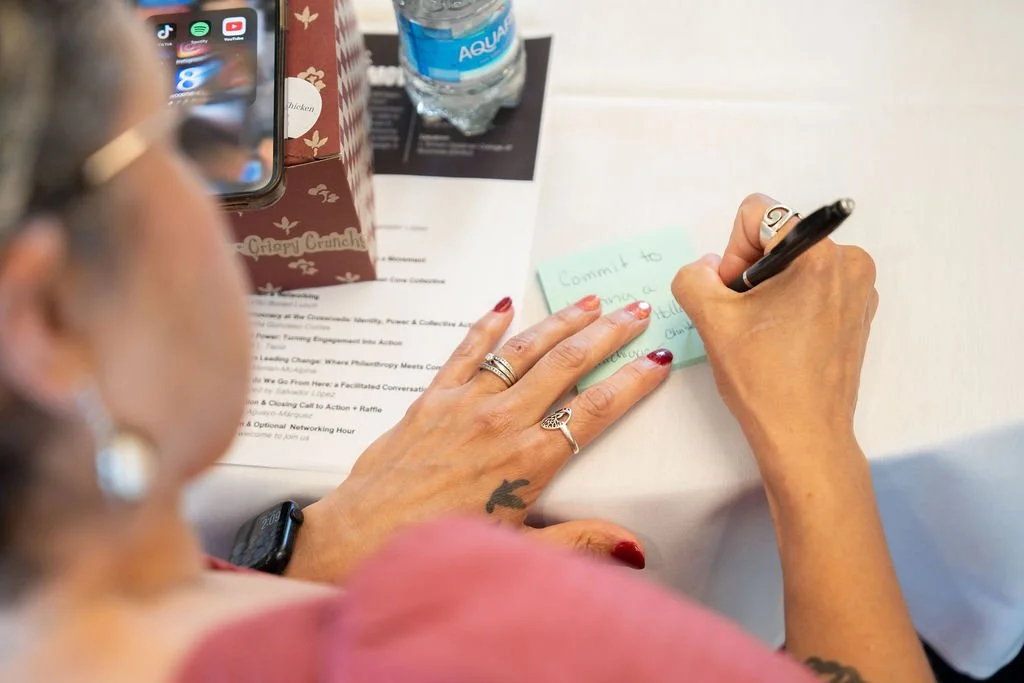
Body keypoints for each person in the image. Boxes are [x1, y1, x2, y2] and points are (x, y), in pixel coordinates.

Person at [0, 2, 935, 682]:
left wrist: (307, 557)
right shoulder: (478, 639)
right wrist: (811, 434)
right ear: (48, 316)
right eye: (176, 141)